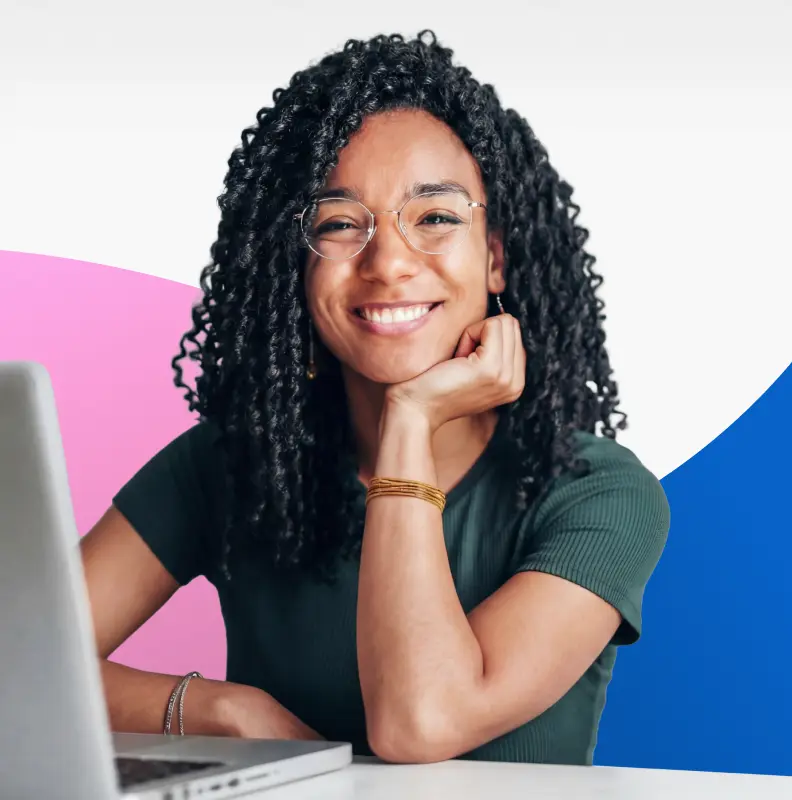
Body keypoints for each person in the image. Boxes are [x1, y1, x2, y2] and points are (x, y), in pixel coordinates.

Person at [80, 30, 670, 766]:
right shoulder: (231, 466)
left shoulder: (598, 496)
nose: (388, 262)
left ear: (495, 258)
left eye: (435, 218)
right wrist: (217, 709)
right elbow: (18, 660)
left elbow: (420, 724)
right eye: (338, 224)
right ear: (295, 267)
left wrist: (411, 420)